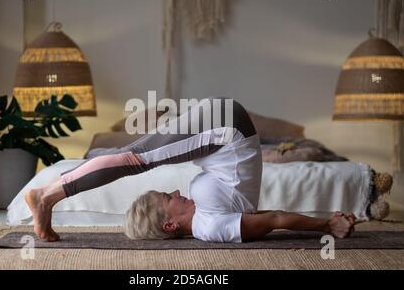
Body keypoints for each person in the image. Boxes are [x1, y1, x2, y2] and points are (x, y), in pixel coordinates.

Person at [25, 97, 355, 242]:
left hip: (223, 127)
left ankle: (65, 182)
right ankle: (47, 195)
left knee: (133, 155)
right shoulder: (211, 228)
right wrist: (325, 224)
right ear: (169, 223)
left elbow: (262, 216)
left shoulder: (205, 219)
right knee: (135, 158)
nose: (176, 191)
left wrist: (324, 225)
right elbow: (274, 219)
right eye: (169, 196)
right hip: (227, 129)